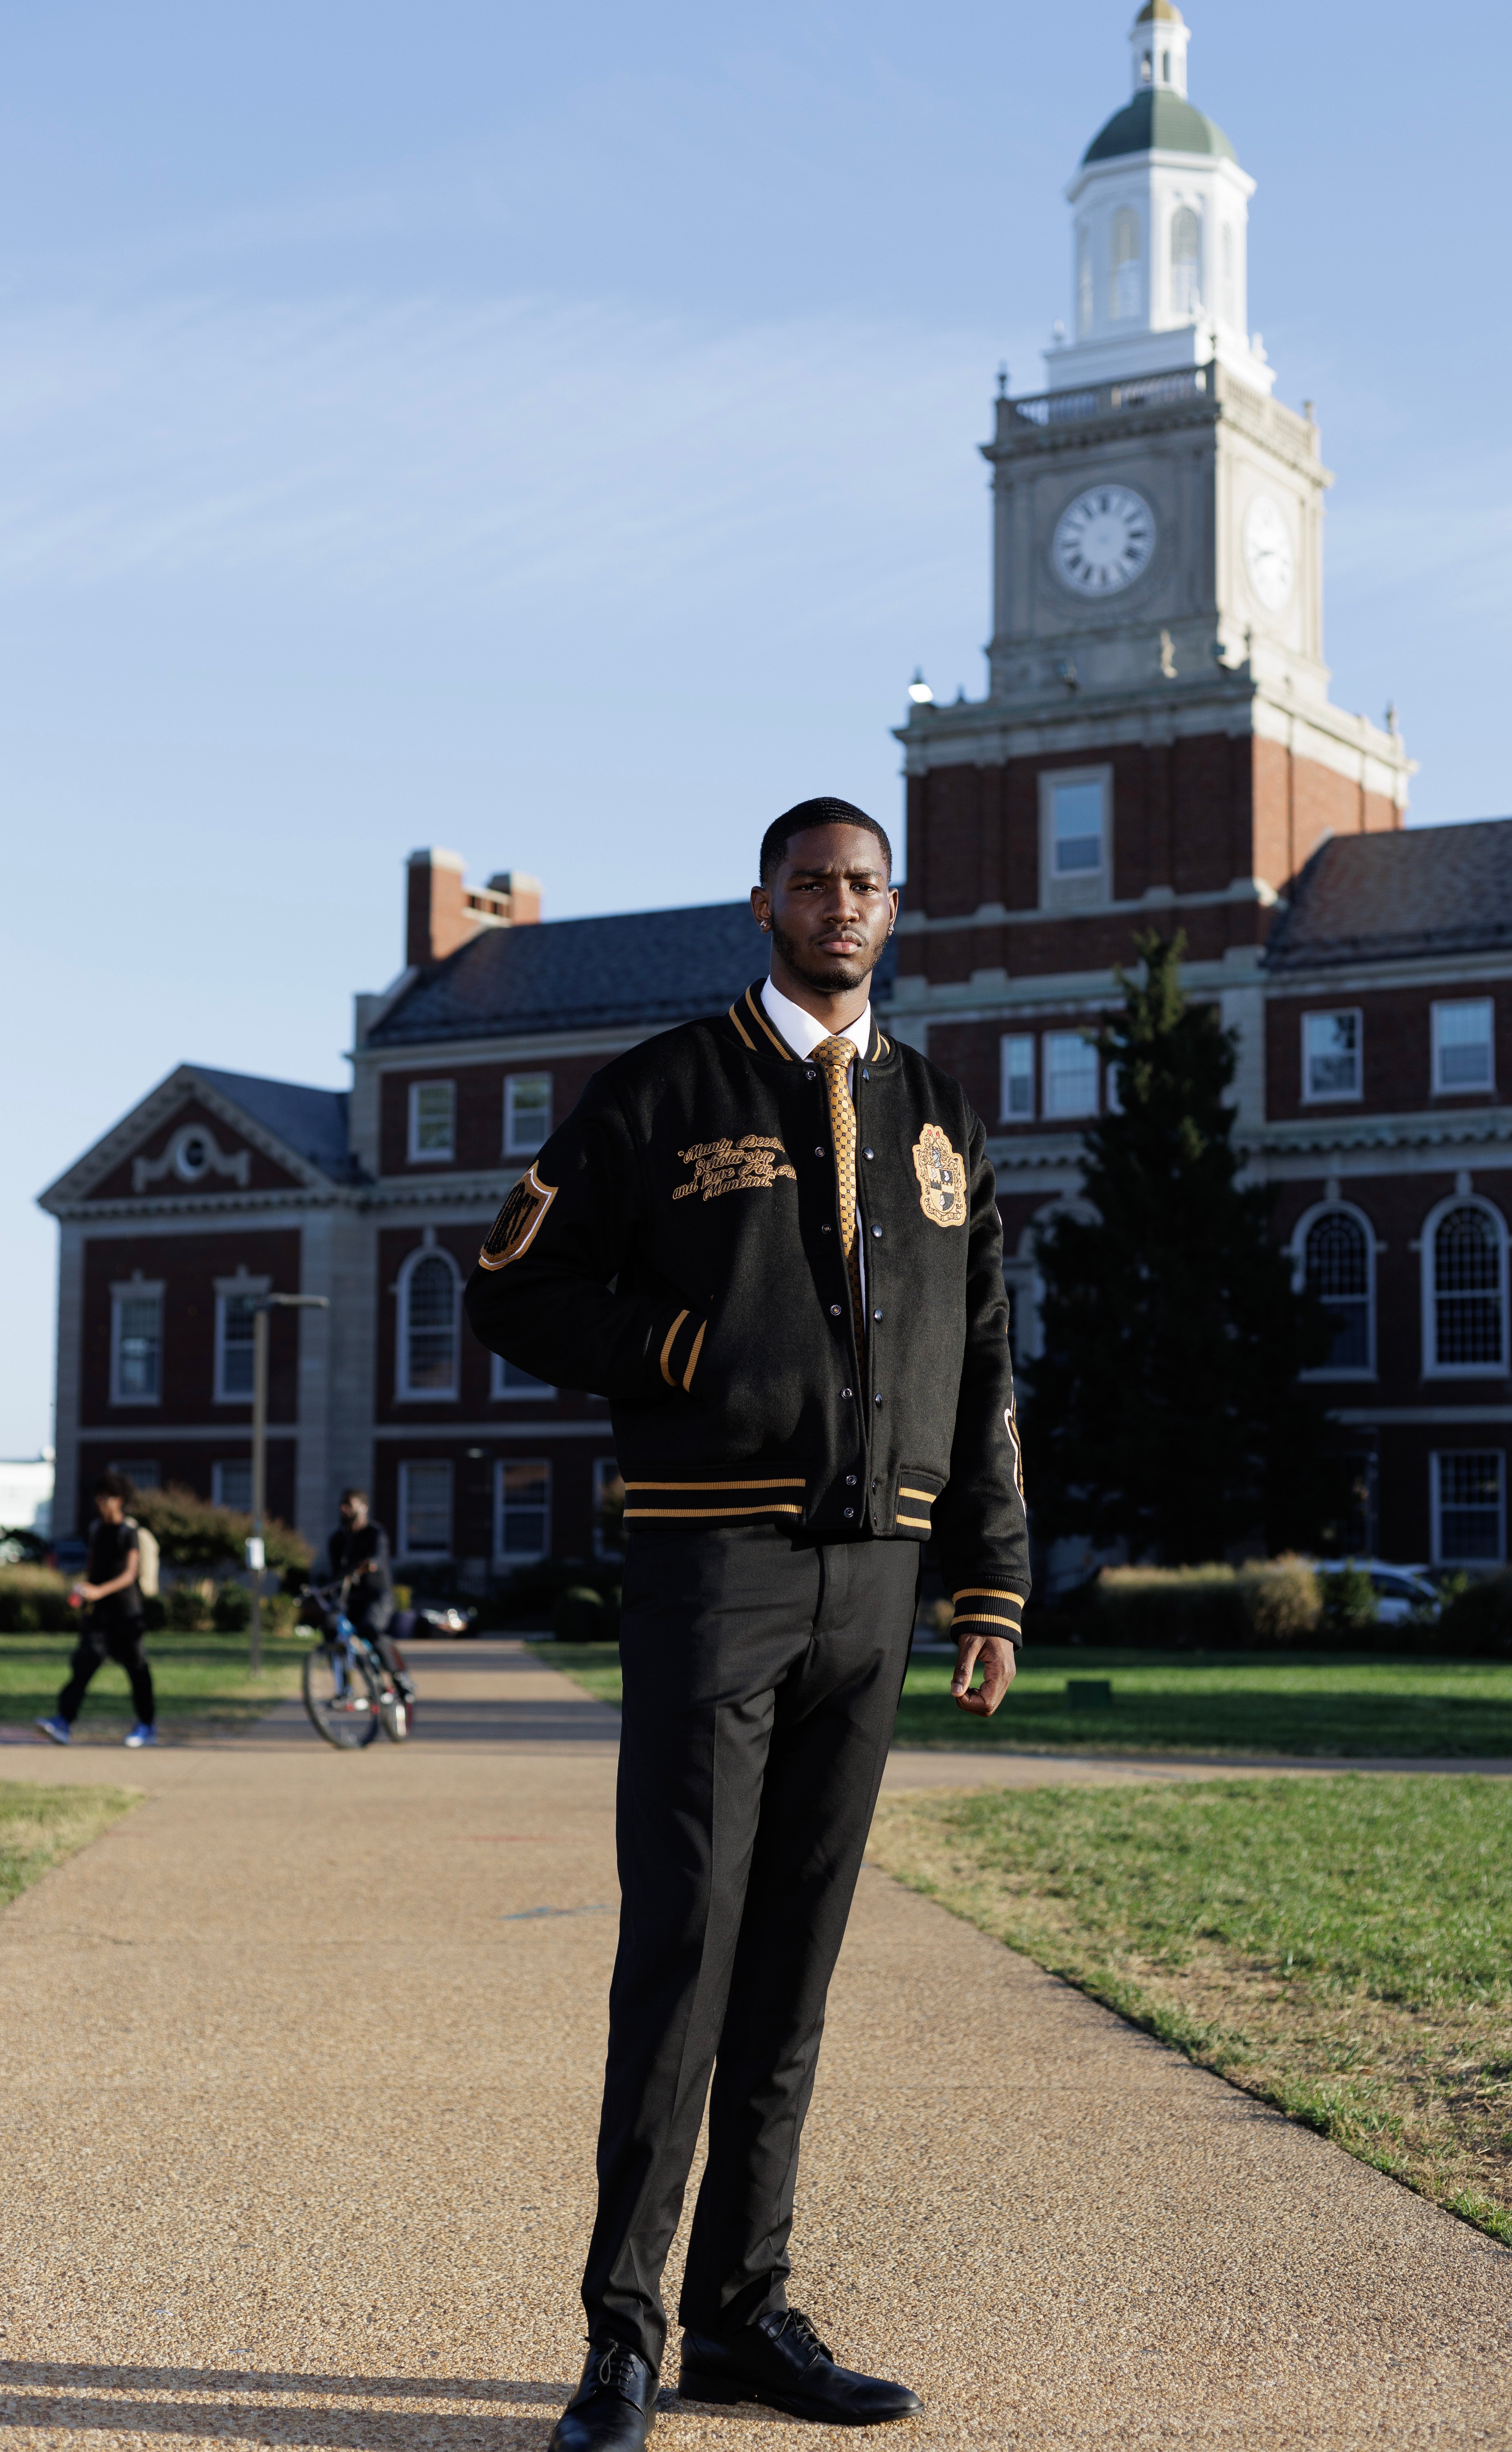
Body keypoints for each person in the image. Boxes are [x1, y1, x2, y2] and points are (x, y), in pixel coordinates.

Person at [466, 797, 1029, 2449]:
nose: (838, 907)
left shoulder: (937, 1114)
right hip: (715, 1575)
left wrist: (988, 1578)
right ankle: (622, 2339)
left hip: (877, 1584)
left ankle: (741, 2315)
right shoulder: (662, 1092)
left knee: (793, 1971)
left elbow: (985, 1361)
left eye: (862, 885)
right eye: (811, 884)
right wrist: (686, 1354)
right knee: (687, 1956)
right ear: (764, 903)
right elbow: (509, 1286)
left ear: (892, 905)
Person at [37, 1471, 157, 1749]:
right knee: (84, 1664)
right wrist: (84, 1592)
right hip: (100, 1614)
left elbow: (130, 1574)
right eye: (99, 1496)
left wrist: (100, 1591)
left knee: (138, 1669)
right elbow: (94, 1569)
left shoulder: (130, 1533)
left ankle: (147, 1724)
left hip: (127, 1612)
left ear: (120, 1500)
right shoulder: (96, 1530)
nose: (101, 1501)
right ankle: (63, 1722)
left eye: (108, 1497)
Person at [326, 1488, 394, 1641]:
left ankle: (392, 1665)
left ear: (364, 1508)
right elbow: (335, 1572)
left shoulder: (375, 1534)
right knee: (330, 1626)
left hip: (376, 1597)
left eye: (349, 1504)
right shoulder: (338, 1539)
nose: (343, 1509)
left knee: (369, 1630)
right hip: (350, 1599)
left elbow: (380, 1557)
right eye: (342, 1504)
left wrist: (371, 1563)